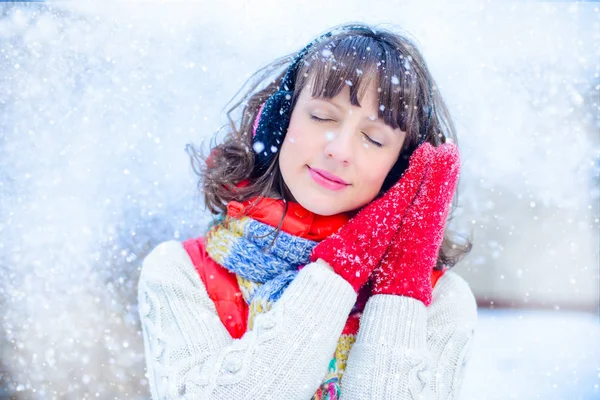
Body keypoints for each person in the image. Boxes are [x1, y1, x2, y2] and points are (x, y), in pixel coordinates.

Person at [137, 22, 478, 399]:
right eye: (321, 117)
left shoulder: (442, 300)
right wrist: (342, 267)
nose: (340, 150)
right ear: (278, 122)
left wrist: (400, 289)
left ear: (401, 168)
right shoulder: (182, 273)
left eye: (374, 138)